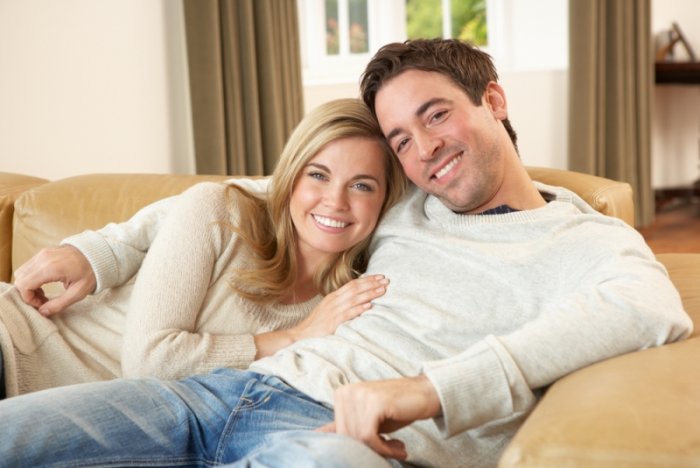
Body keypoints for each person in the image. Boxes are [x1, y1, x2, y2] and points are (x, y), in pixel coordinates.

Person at [0, 39, 692, 467]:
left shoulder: (586, 241)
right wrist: (102, 250)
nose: (425, 148)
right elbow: (271, 189)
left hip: (340, 436)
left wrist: (427, 391)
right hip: (210, 394)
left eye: (437, 114)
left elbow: (649, 307)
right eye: (401, 139)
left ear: (494, 99)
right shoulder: (402, 199)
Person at [0, 98, 406, 398]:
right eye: (317, 175)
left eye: (361, 185)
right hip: (14, 342)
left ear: (386, 200)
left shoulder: (352, 300)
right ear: (289, 178)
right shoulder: (219, 212)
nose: (335, 201)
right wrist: (292, 337)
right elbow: (149, 362)